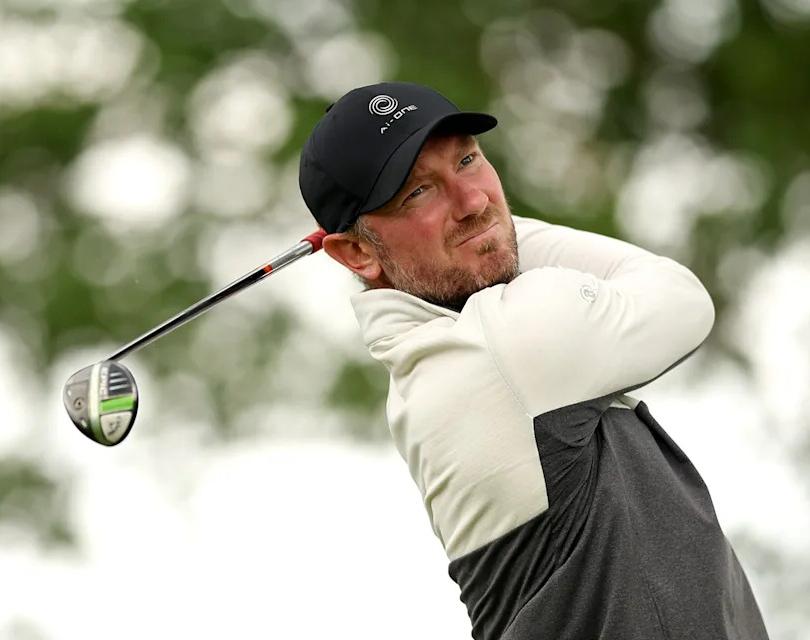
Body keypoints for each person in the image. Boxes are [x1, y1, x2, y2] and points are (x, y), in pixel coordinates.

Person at [299, 82, 770, 640]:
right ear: (356, 252)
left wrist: (478, 232)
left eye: (469, 160)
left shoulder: (442, 361)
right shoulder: (503, 345)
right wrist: (492, 230)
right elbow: (683, 300)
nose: (472, 200)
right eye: (418, 193)